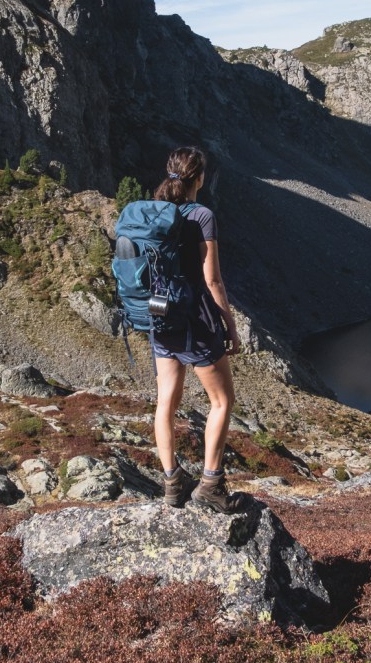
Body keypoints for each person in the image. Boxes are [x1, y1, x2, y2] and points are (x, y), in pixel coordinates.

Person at [150, 146, 244, 513]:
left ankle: (172, 483)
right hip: (196, 322)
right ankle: (210, 482)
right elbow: (213, 280)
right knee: (221, 401)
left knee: (166, 404)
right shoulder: (201, 215)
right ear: (200, 178)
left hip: (161, 320)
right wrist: (230, 324)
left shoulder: (155, 212)